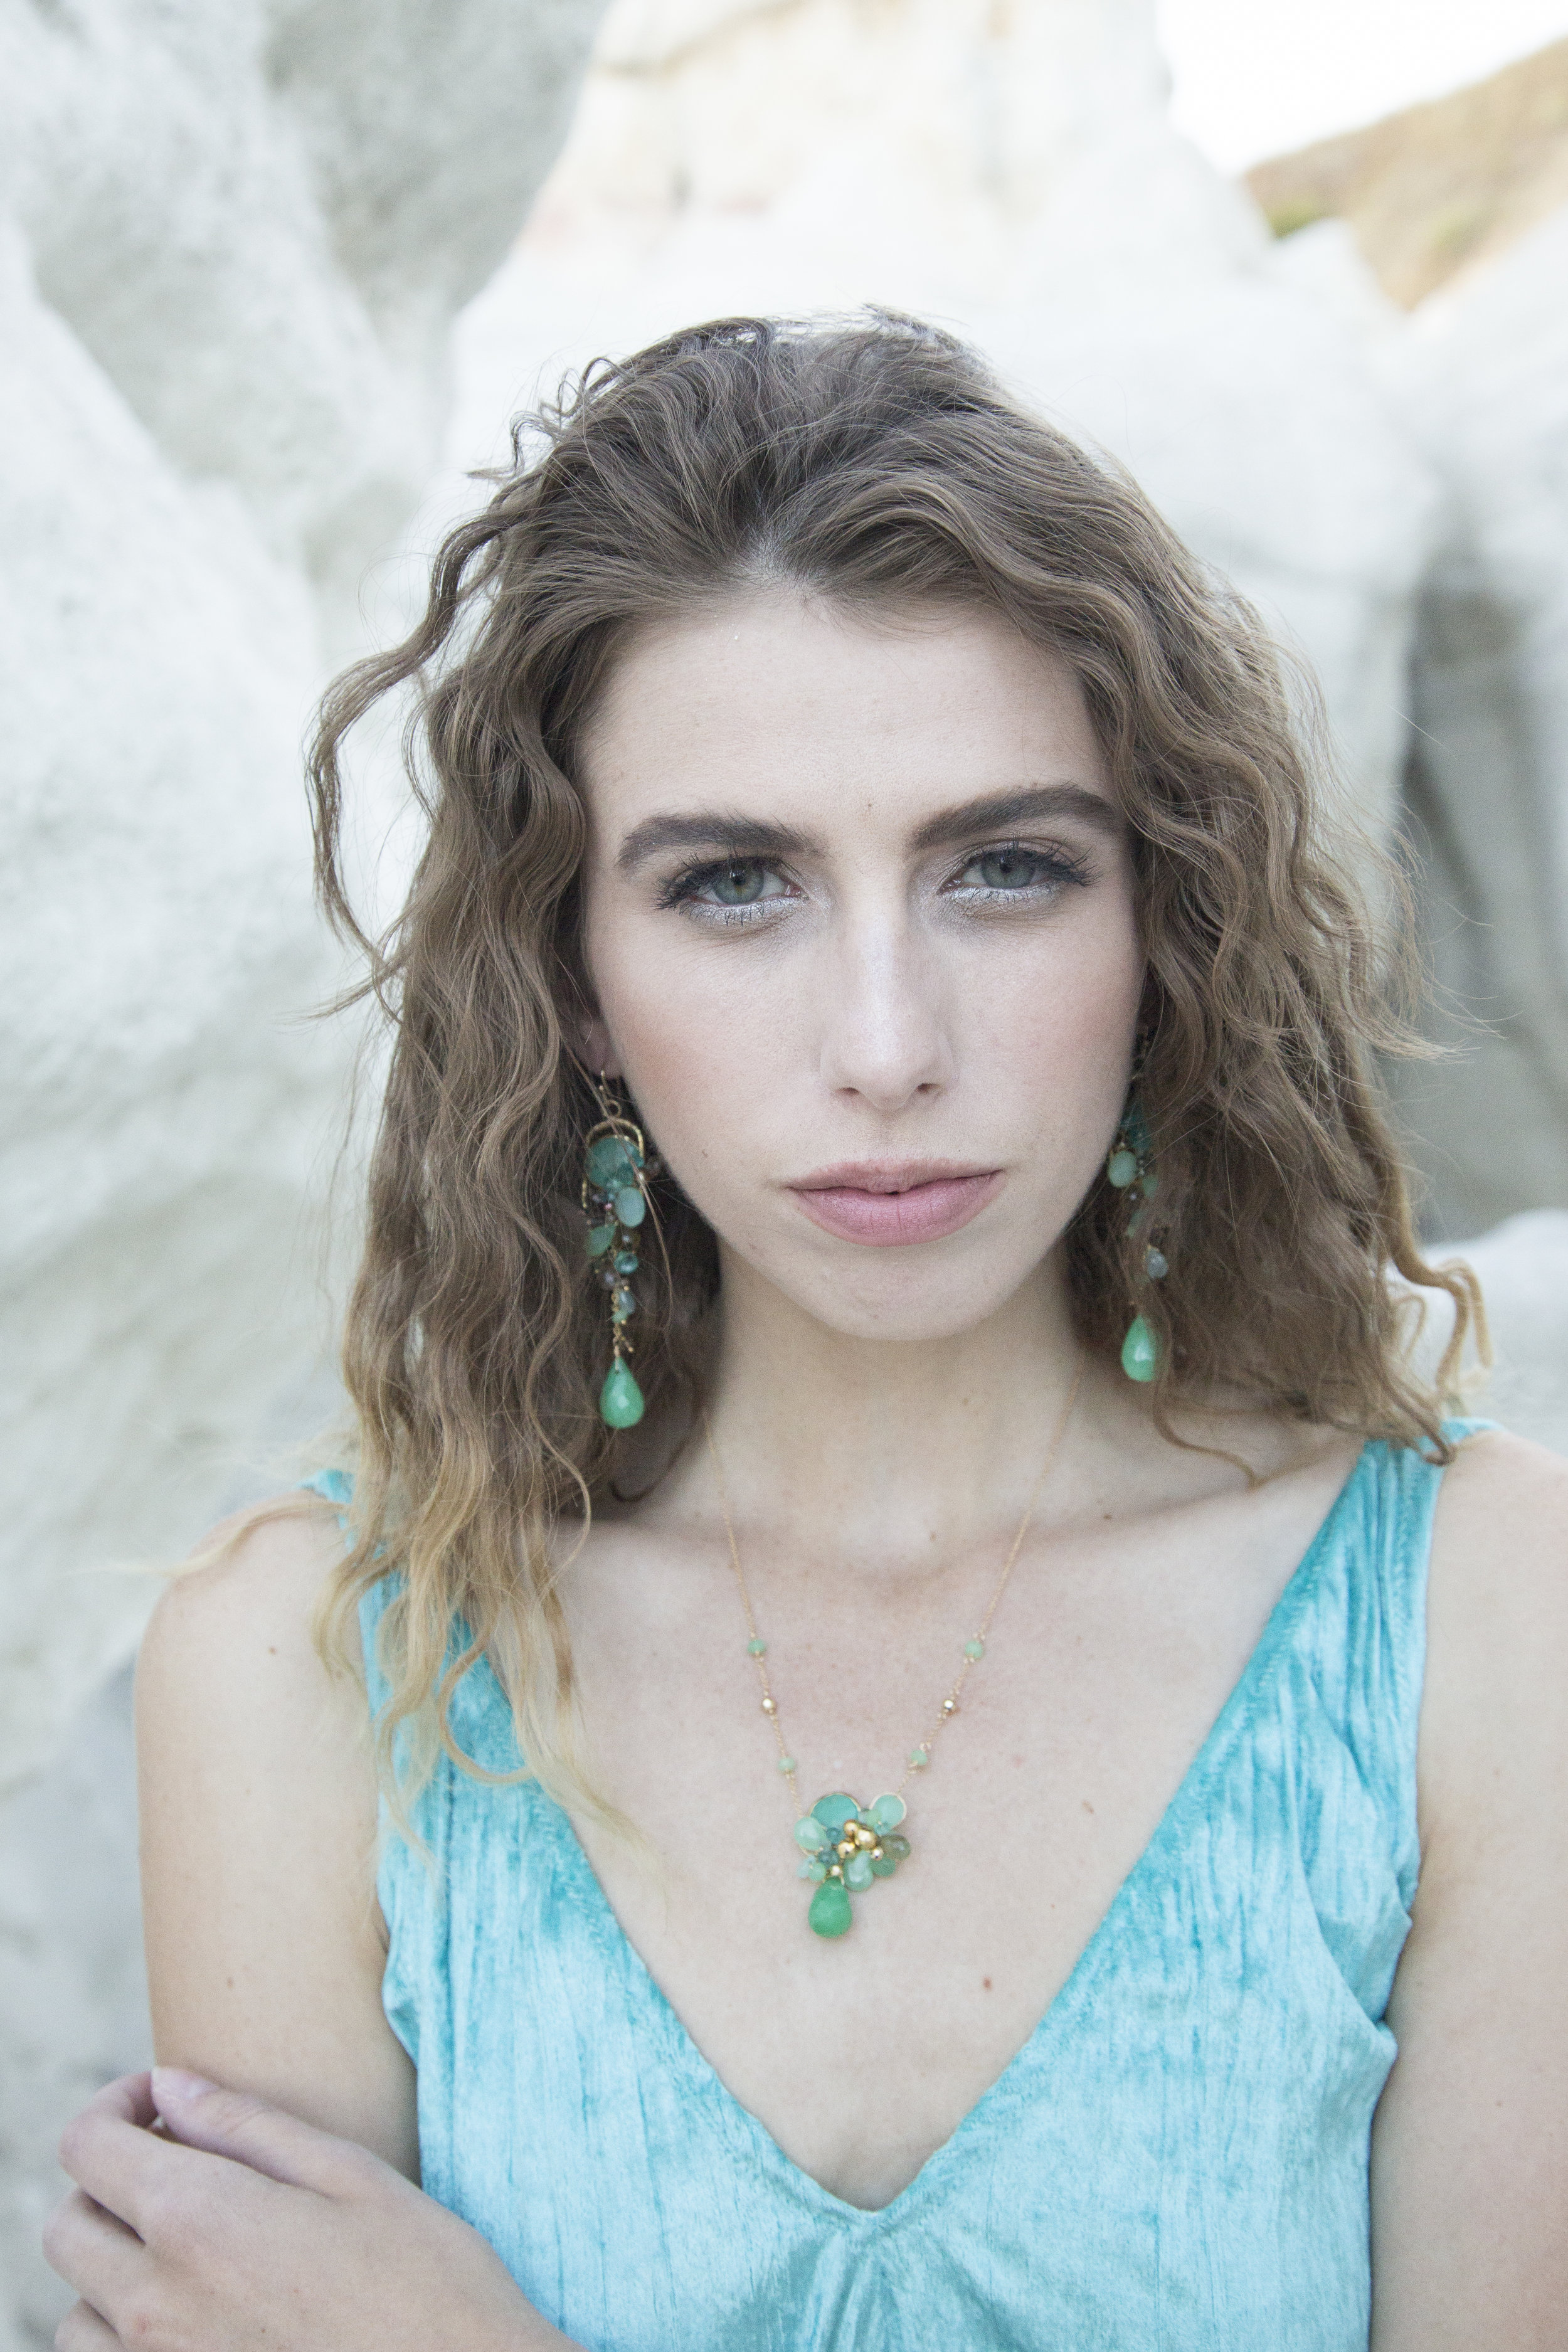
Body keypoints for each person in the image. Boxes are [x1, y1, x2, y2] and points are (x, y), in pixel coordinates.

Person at [44, 315, 1568, 2351]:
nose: (882, 1048)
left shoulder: (1482, 1619)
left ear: (1162, 928)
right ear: (571, 978)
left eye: (1006, 871)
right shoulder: (320, 1671)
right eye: (734, 887)